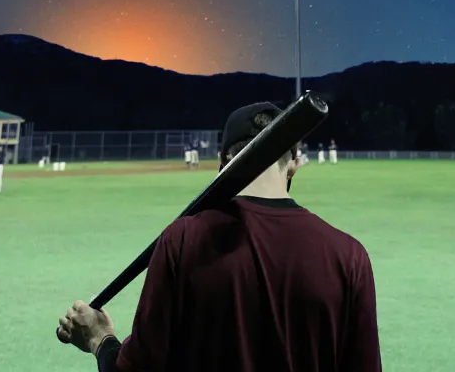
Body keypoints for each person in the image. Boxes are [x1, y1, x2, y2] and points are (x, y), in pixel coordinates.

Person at [58, 102, 382, 372]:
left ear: (223, 163)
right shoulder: (349, 256)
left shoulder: (182, 240)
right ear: (295, 164)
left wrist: (99, 338)